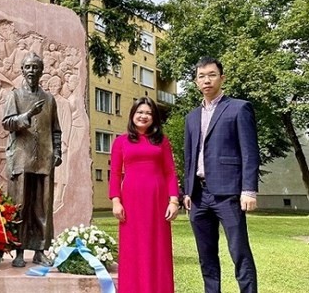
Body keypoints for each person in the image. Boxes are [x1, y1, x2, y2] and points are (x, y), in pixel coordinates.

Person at [183, 57, 259, 293]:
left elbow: (249, 151)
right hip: (198, 196)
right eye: (201, 76)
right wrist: (186, 191)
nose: (206, 80)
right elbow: (189, 156)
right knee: (206, 256)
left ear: (222, 78)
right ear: (196, 82)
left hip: (228, 194)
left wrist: (248, 190)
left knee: (239, 253)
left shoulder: (238, 108)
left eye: (211, 74)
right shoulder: (191, 117)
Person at [109, 97, 180, 293]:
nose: (144, 116)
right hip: (131, 201)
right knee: (133, 249)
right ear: (132, 115)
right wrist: (116, 201)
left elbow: (170, 172)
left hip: (157, 200)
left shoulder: (162, 141)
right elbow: (114, 173)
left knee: (158, 248)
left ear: (154, 118)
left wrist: (174, 201)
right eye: (140, 112)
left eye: (148, 113)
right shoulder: (120, 142)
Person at [2, 52, 62, 268]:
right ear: (22, 70)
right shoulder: (15, 96)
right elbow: (7, 123)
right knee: (20, 206)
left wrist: (57, 153)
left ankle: (40, 250)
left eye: (35, 67)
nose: (31, 71)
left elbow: (56, 130)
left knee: (42, 207)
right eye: (28, 67)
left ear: (41, 71)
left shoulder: (49, 99)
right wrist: (26, 115)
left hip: (44, 160)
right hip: (20, 158)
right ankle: (18, 251)